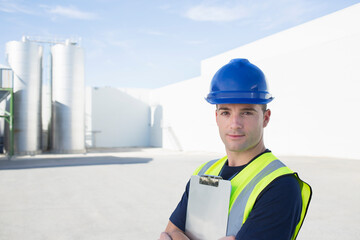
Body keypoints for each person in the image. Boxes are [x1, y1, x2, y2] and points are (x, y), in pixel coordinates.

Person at [159, 59, 312, 240]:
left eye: (246, 112)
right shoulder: (204, 172)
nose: (235, 124)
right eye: (225, 112)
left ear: (266, 118)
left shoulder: (280, 186)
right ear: (216, 117)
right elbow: (170, 232)